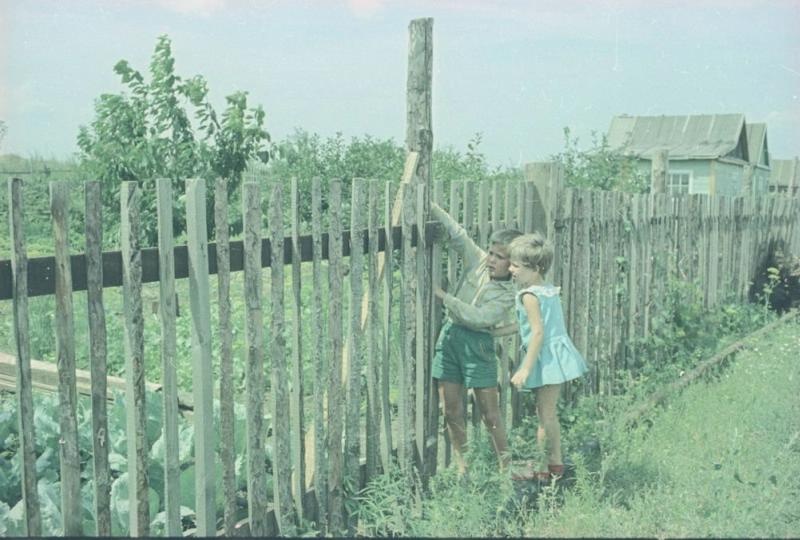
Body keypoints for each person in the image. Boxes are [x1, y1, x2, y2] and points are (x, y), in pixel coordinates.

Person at [430, 201, 522, 474]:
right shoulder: (478, 262)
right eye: (491, 253)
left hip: (477, 344)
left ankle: (506, 469)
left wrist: (446, 298)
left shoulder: (507, 293)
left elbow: (480, 318)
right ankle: (464, 468)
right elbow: (457, 234)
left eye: (500, 257)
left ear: (514, 264)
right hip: (450, 338)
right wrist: (431, 205)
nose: (492, 260)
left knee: (489, 414)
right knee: (451, 410)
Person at [507, 232, 588, 481]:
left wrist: (525, 369)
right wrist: (499, 330)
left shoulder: (529, 295)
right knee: (550, 415)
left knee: (544, 417)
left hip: (545, 360)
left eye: (516, 266)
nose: (511, 269)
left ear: (536, 268)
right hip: (556, 357)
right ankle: (556, 463)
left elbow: (538, 333)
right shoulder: (548, 290)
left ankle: (541, 469)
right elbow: (534, 326)